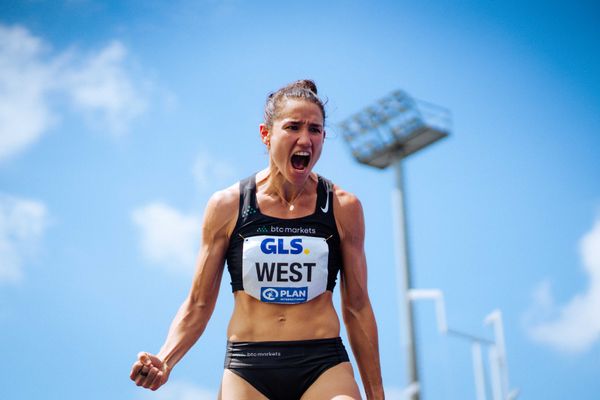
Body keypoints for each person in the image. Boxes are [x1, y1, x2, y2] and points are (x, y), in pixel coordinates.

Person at [130, 80, 384, 399]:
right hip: (249, 366)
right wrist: (165, 360)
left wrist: (377, 395)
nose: (305, 139)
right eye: (293, 127)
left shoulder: (343, 207)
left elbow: (358, 307)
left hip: (323, 363)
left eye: (315, 130)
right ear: (266, 134)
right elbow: (198, 303)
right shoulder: (227, 205)